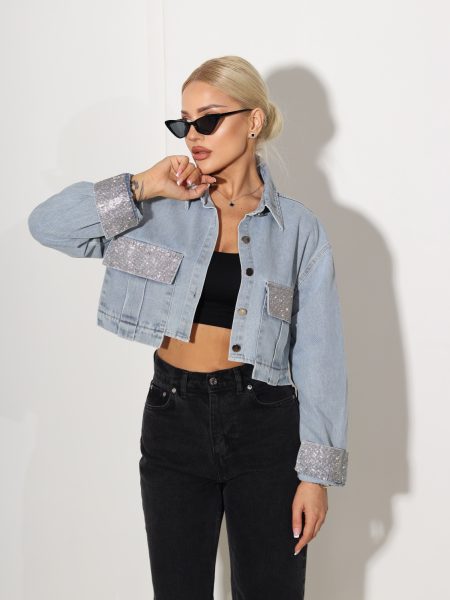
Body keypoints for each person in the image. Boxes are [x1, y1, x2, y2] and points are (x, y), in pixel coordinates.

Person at [28, 55, 349, 599]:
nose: (193, 135)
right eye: (184, 123)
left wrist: (316, 476)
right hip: (173, 419)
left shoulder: (298, 230)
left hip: (265, 425)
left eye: (208, 119)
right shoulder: (158, 207)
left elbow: (320, 355)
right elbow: (48, 226)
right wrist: (141, 185)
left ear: (253, 121)